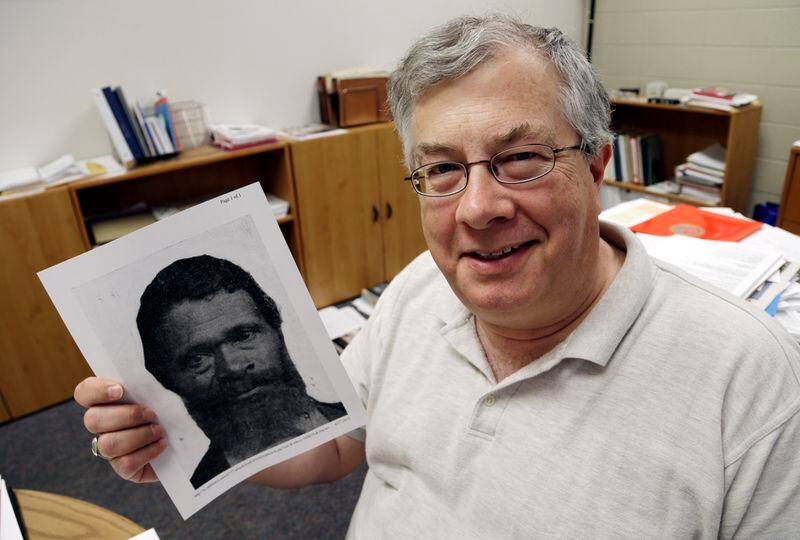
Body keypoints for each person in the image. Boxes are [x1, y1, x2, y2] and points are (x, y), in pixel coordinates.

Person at [76, 14, 800, 537]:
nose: (479, 208)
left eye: (521, 158)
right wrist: (162, 438)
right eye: (444, 169)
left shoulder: (750, 384)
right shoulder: (423, 287)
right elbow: (333, 447)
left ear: (597, 165)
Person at [133, 254, 345, 488]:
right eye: (197, 358)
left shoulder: (358, 418)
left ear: (276, 330)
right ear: (166, 378)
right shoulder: (201, 488)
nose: (232, 367)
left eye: (244, 336)